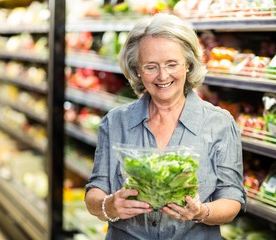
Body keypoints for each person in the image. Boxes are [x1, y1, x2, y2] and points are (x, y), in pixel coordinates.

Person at [84, 12, 246, 240]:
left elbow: (232, 198)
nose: (162, 76)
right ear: (137, 69)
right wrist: (108, 206)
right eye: (150, 66)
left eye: (172, 64)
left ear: (188, 64)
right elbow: (95, 190)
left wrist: (202, 212)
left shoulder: (219, 123)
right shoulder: (115, 122)